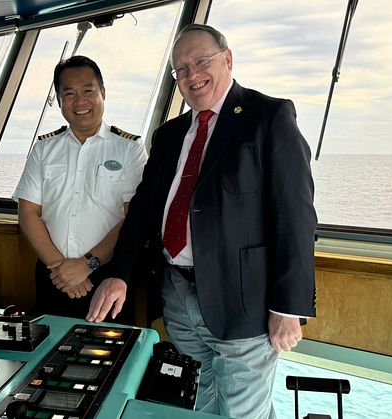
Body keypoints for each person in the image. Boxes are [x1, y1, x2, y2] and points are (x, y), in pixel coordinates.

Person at [87, 24, 317, 418]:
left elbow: (296, 216)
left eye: (201, 62)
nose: (192, 76)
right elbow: (143, 211)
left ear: (227, 59)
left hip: (245, 305)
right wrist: (119, 273)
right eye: (181, 70)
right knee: (201, 405)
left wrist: (287, 306)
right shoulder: (170, 135)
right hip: (178, 297)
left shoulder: (268, 117)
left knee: (244, 412)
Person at [13, 55, 147, 320]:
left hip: (108, 277)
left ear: (102, 93)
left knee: (111, 357)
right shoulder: (44, 149)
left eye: (88, 90)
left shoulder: (130, 148)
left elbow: (134, 217)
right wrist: (60, 268)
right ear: (59, 100)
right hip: (54, 276)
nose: (80, 101)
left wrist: (88, 265)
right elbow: (27, 212)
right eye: (69, 93)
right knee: (48, 353)